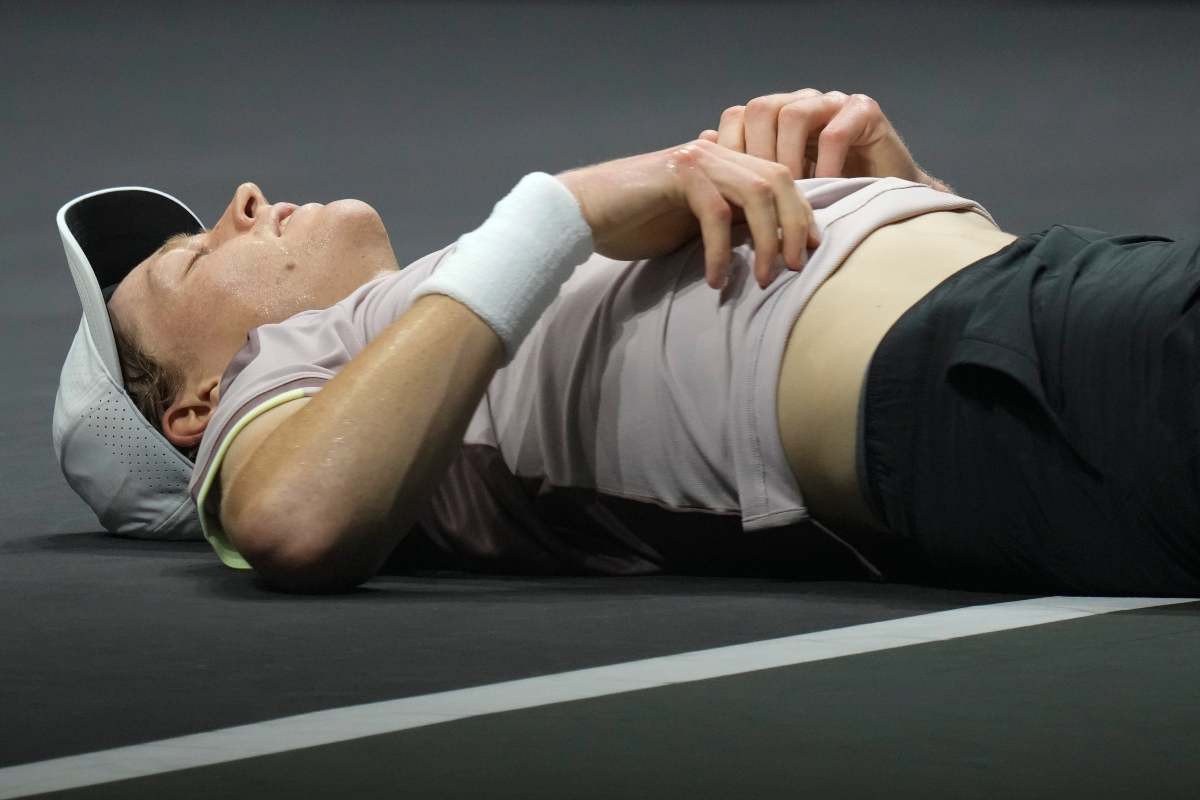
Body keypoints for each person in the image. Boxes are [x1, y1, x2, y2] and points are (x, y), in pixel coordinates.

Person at [52, 89, 1200, 597]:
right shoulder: (296, 370)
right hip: (990, 370)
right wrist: (565, 208)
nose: (243, 202)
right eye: (191, 258)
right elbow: (292, 518)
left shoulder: (441, 317)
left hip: (1030, 313)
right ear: (197, 410)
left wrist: (899, 190)